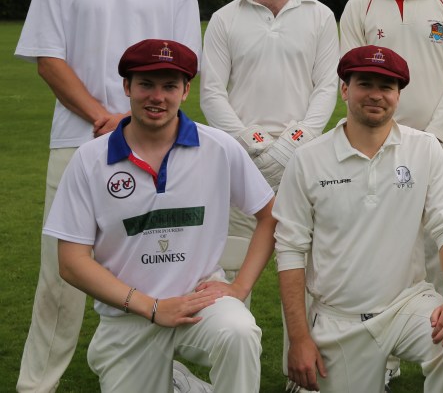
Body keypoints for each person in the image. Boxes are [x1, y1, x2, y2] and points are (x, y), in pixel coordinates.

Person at [14, 0, 201, 392]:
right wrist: (104, 116)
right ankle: (36, 384)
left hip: (156, 147)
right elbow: (48, 58)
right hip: (77, 142)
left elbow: (184, 66)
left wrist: (132, 118)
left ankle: (159, 373)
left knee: (153, 265)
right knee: (61, 274)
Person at [42, 39, 276, 391]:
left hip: (201, 304)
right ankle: (181, 384)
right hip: (127, 316)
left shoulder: (218, 147)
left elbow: (271, 215)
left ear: (185, 90)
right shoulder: (90, 160)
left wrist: (239, 287)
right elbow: (71, 262)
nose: (157, 97)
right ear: (127, 87)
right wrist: (151, 306)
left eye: (169, 86)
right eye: (146, 84)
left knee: (239, 333)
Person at [274, 45, 443, 393]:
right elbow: (290, 250)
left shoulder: (425, 148)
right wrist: (299, 338)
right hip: (339, 317)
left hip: (407, 303)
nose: (376, 95)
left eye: (386, 87)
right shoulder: (308, 159)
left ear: (398, 95)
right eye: (365, 84)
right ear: (344, 89)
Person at [200, 0, 339, 389]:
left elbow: (325, 89)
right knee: (229, 267)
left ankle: (303, 375)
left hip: (302, 161)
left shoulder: (320, 15)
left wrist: (292, 144)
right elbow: (212, 92)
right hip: (239, 161)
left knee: (305, 269)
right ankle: (229, 376)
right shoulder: (225, 18)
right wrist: (252, 144)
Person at [339, 0, 443, 388]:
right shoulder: (360, 6)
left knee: (440, 243)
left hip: (438, 144)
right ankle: (385, 351)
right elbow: (348, 78)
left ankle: (438, 342)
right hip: (374, 145)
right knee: (380, 244)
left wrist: (430, 139)